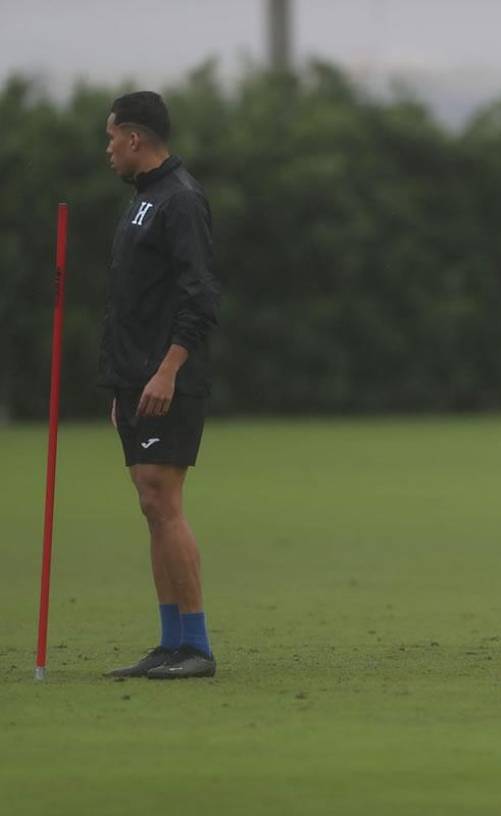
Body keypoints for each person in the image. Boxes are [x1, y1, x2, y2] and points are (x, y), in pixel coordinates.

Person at [100, 91, 220, 679]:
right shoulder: (143, 199)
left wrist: (168, 369)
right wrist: (121, 385)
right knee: (151, 505)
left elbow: (201, 296)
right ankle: (170, 641)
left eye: (111, 138)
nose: (108, 151)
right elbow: (136, 300)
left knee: (164, 503)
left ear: (134, 138)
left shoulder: (180, 199)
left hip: (167, 379)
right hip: (135, 380)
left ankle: (196, 646)